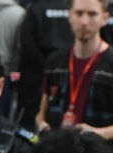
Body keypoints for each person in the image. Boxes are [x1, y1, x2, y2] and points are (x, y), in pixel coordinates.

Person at [36, 0, 113, 142]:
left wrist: (101, 133)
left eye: (92, 14)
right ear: (70, 16)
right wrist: (41, 125)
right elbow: (42, 112)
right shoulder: (55, 61)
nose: (84, 21)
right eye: (79, 13)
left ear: (104, 18)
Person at [17, 0, 73, 130]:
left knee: (29, 118)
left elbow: (26, 42)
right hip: (65, 71)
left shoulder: (36, 9)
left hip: (35, 73)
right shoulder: (71, 9)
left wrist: (44, 63)